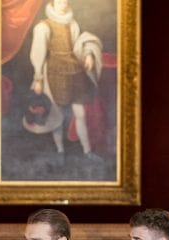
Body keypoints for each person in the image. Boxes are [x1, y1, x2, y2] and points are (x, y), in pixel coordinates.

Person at [28, 0, 103, 157]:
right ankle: (60, 151)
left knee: (80, 114)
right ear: (52, 3)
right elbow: (38, 53)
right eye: (60, 1)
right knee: (57, 115)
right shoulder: (43, 27)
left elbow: (80, 43)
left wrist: (88, 54)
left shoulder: (72, 23)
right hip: (55, 73)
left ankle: (87, 151)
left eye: (66, 1)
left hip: (75, 72)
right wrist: (38, 78)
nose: (64, 4)